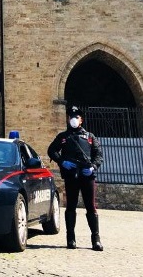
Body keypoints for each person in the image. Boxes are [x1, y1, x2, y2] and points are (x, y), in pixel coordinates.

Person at [47, 106, 104, 251]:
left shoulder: (90, 137)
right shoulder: (63, 137)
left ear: (81, 120)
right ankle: (70, 239)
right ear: (68, 119)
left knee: (91, 207)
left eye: (76, 117)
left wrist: (93, 167)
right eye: (71, 117)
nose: (73, 119)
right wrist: (62, 162)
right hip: (71, 175)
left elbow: (99, 155)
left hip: (87, 175)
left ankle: (96, 239)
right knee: (70, 207)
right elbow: (51, 150)